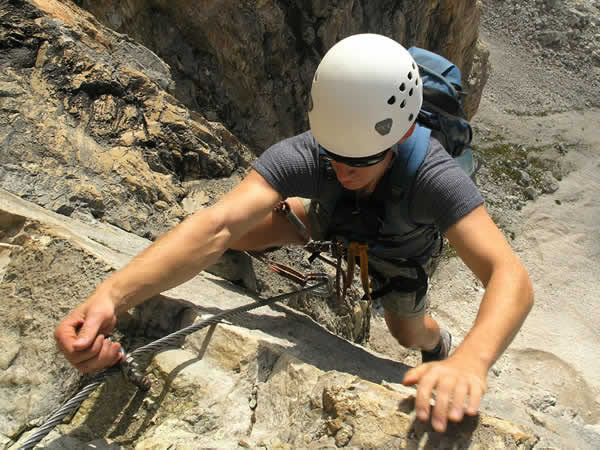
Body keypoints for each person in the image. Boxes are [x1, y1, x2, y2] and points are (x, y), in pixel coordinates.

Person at [54, 34, 533, 433]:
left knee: (404, 331)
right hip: (332, 213)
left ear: (402, 136)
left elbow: (509, 275)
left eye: (361, 158)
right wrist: (110, 297)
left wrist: (469, 362)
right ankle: (307, 221)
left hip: (399, 245)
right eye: (334, 152)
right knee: (239, 233)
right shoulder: (312, 153)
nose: (343, 167)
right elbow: (215, 226)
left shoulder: (432, 174)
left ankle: (436, 341)